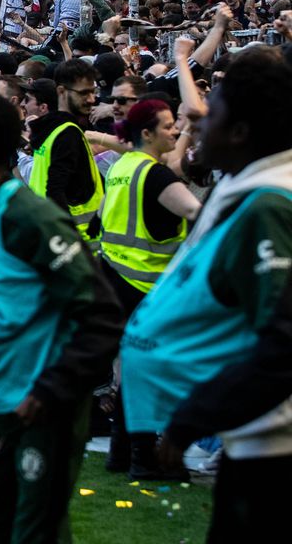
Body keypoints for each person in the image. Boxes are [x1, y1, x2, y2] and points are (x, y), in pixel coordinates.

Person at [0, 91, 121, 544]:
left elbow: (101, 313)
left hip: (41, 408)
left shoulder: (28, 218)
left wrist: (52, 388)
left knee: (35, 534)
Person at [121, 52, 292, 540]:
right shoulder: (247, 185)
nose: (195, 120)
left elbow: (282, 341)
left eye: (209, 113)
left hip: (271, 451)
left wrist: (196, 417)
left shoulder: (271, 207)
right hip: (251, 441)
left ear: (239, 133)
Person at [99, 98, 201, 477]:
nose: (174, 131)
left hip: (115, 275)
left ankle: (123, 453)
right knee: (150, 371)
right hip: (145, 284)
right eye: (169, 125)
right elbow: (198, 213)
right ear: (147, 133)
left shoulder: (126, 166)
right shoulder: (156, 176)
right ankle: (143, 457)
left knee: (134, 370)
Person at [27, 59, 103, 244]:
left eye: (93, 92)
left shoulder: (51, 129)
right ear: (61, 91)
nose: (91, 99)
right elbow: (55, 190)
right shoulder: (68, 133)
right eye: (84, 93)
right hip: (77, 245)